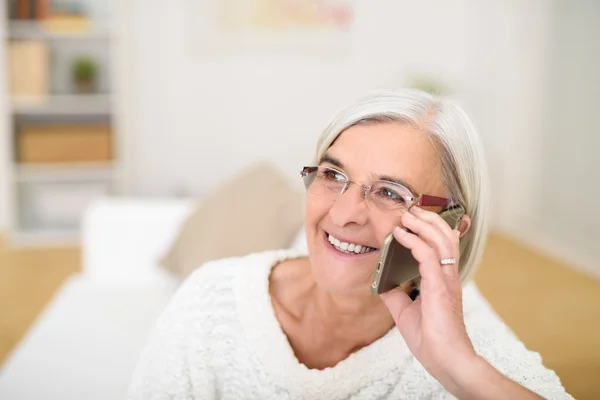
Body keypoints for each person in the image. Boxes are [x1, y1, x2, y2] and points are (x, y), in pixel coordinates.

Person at [126, 89, 572, 399]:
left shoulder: (471, 344)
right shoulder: (211, 300)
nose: (343, 214)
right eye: (333, 175)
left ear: (450, 225)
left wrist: (460, 369)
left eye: (391, 192)